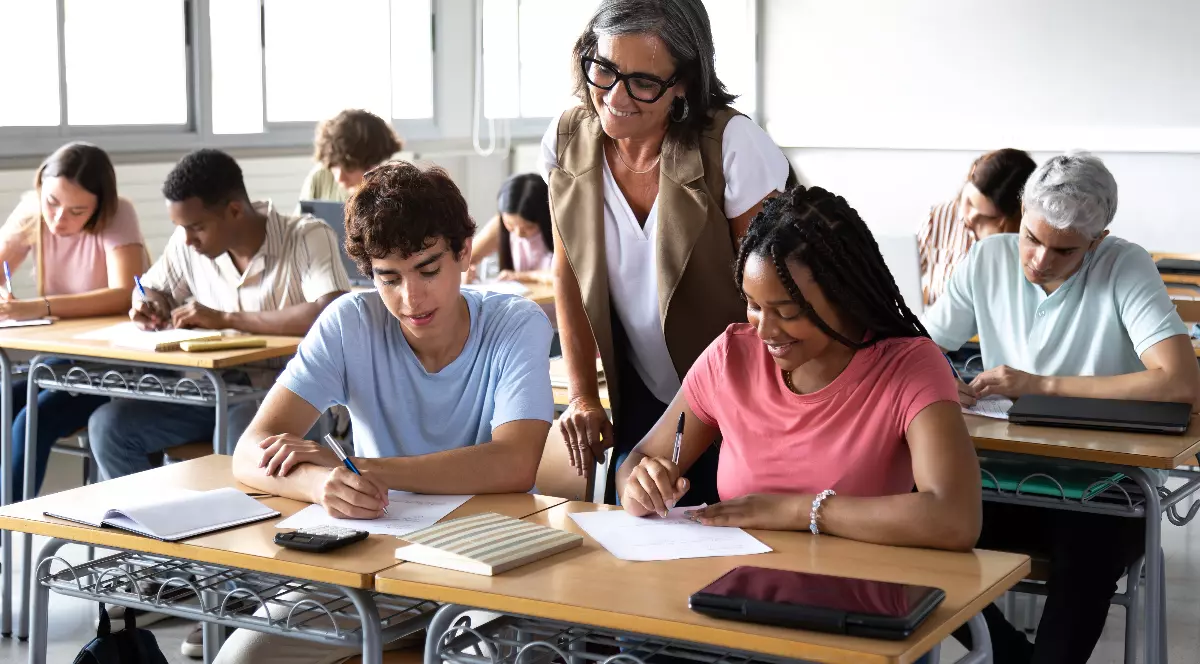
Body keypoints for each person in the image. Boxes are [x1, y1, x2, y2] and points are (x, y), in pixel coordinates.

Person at [220, 161, 554, 664]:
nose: (410, 298)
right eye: (388, 277)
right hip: (378, 561)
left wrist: (356, 468)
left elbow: (514, 464)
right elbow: (248, 453)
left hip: (489, 561)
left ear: (464, 254)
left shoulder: (515, 322)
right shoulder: (349, 322)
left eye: (428, 269)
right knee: (245, 657)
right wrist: (319, 484)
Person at [924, 151, 1200, 664]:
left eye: (1064, 250)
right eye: (1032, 238)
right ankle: (1012, 657)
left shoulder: (1124, 263)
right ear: (1020, 212)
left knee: (1086, 558)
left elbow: (1182, 383)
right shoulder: (987, 258)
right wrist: (937, 377)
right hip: (999, 477)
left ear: (1097, 241)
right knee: (920, 534)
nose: (1039, 261)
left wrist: (1039, 385)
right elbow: (918, 346)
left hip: (1107, 489)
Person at [616, 184, 981, 556]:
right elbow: (637, 462)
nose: (765, 330)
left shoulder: (910, 366)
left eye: (787, 312)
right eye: (753, 305)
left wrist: (798, 510)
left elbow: (955, 518)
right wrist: (641, 488)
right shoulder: (731, 356)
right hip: (741, 589)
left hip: (862, 596)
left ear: (844, 296)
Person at [85, 148, 350, 659]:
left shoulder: (304, 235)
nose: (185, 239)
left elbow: (328, 310)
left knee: (242, 432)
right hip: (207, 391)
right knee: (111, 426)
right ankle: (176, 574)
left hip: (288, 401)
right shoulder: (191, 247)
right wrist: (150, 303)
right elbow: (156, 286)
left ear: (234, 211)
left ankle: (237, 592)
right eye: (181, 229)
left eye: (196, 227)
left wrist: (225, 317)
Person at [546, 0, 790, 500]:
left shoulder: (733, 146)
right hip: (640, 393)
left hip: (738, 400)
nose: (615, 96)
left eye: (642, 82)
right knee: (634, 543)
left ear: (683, 81)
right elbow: (568, 272)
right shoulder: (567, 139)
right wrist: (583, 396)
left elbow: (775, 299)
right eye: (605, 70)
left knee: (729, 558)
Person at [0, 142, 147, 500]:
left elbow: (124, 292)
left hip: (116, 366)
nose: (58, 219)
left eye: (77, 210)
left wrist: (42, 306)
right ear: (40, 188)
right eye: (51, 202)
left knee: (32, 420)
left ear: (99, 205)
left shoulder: (119, 213)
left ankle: (8, 533)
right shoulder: (34, 207)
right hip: (59, 358)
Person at [919, 148, 1036, 306]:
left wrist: (996, 243)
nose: (971, 216)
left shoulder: (1027, 240)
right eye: (969, 202)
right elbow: (901, 278)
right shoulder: (938, 217)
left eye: (985, 217)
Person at [298, 109, 404, 203]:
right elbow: (299, 222)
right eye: (333, 166)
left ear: (373, 163)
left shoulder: (394, 192)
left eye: (349, 167)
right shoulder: (320, 176)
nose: (339, 178)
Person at [469, 173, 554, 285]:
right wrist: (466, 272)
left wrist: (522, 276)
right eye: (510, 224)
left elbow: (563, 276)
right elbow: (467, 257)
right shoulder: (498, 225)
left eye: (528, 227)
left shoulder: (557, 228)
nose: (518, 233)